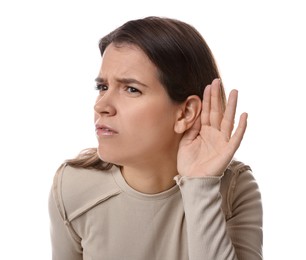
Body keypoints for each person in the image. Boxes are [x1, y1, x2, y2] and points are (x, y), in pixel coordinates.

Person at [48, 16, 263, 260]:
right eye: (103, 87)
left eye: (131, 89)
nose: (102, 106)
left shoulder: (235, 188)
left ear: (186, 113)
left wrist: (201, 185)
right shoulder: (73, 187)